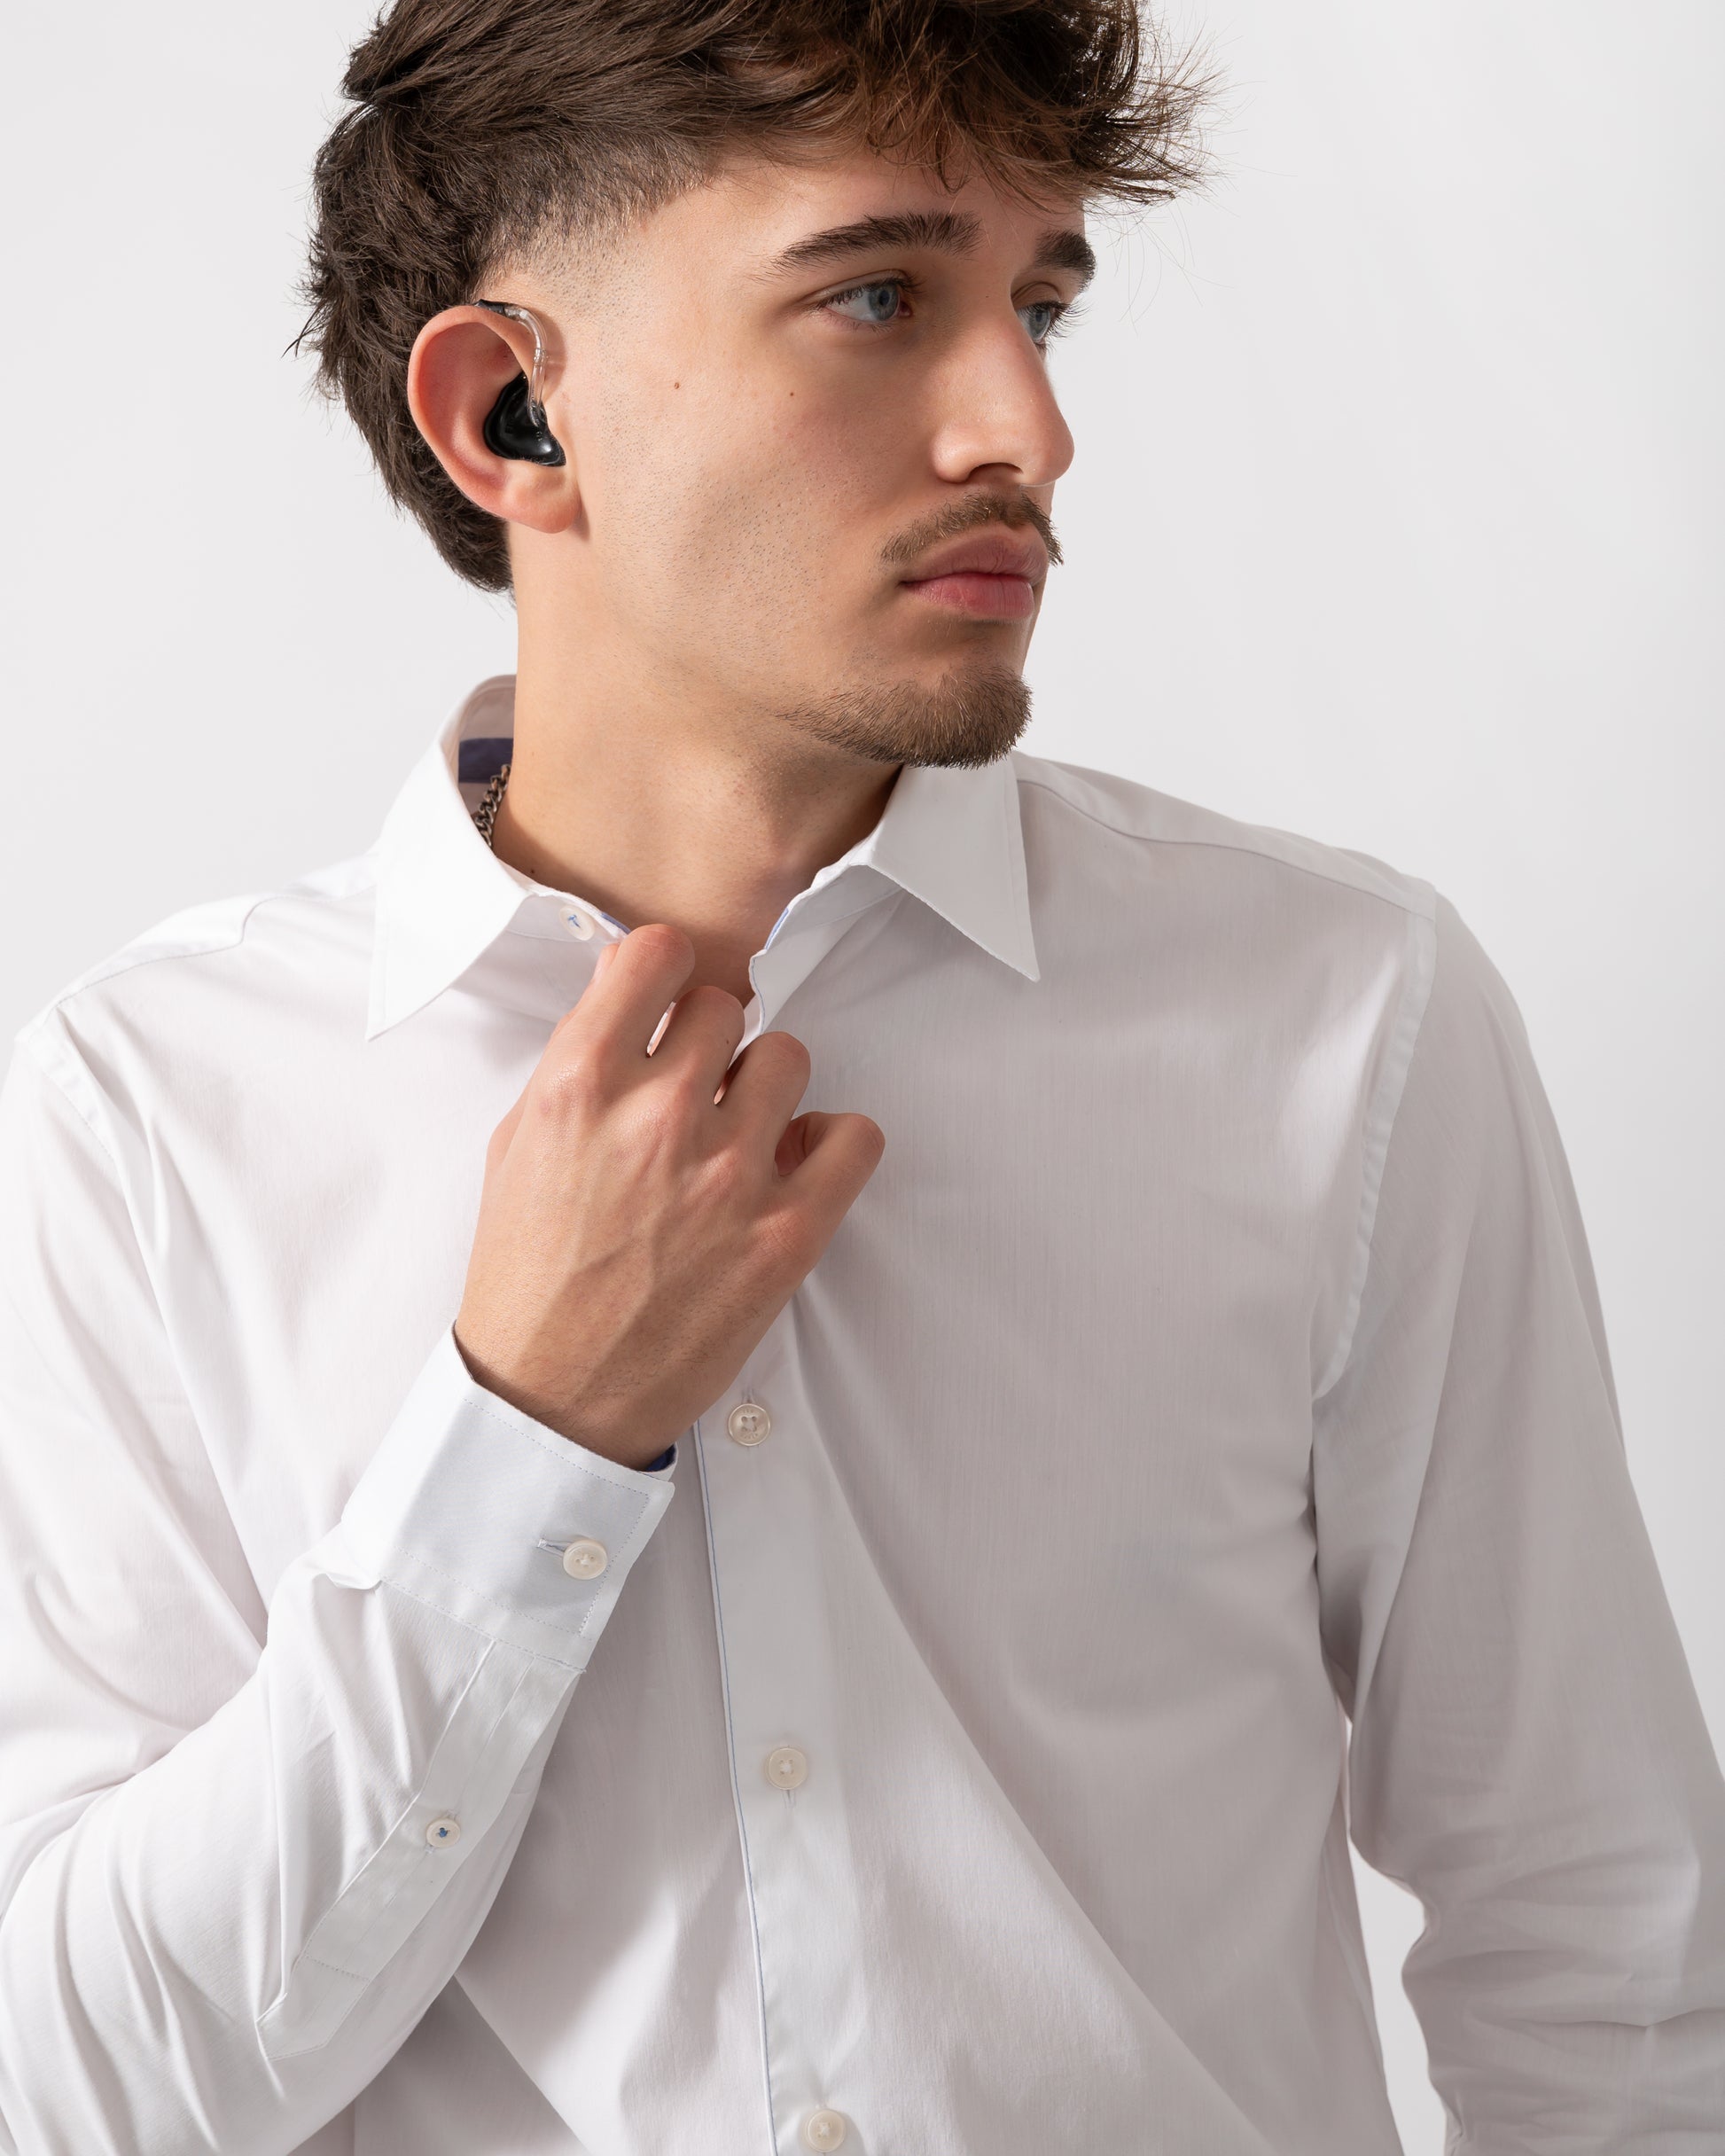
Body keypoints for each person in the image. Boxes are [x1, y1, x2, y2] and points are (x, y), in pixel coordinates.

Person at [1, 1, 1721, 2149]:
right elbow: (75, 2090)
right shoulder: (152, 1109)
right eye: (880, 297)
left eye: (1043, 305)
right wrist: (524, 1439)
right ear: (511, 408)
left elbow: (1600, 1948)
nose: (1025, 425)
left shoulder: (1341, 1016)